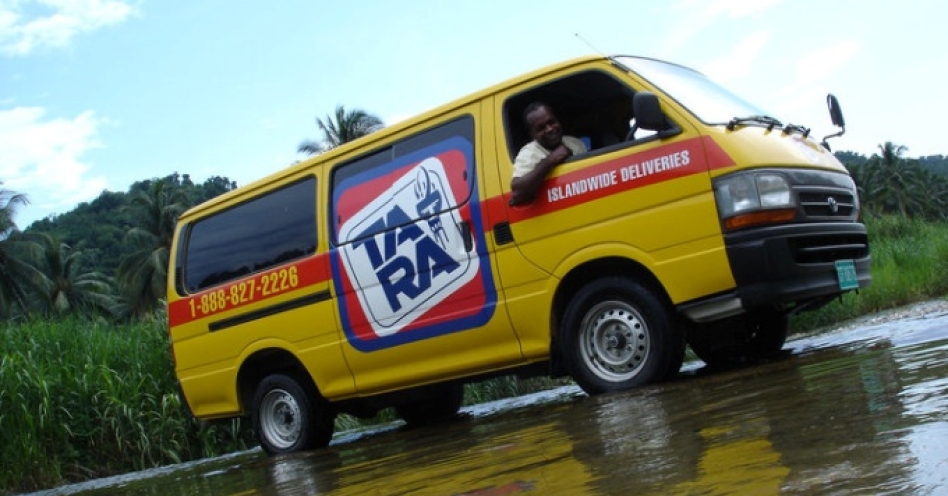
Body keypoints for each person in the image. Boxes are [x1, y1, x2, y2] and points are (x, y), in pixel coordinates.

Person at [510, 102, 587, 205]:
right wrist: (551, 160)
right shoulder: (529, 154)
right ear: (532, 134)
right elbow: (517, 193)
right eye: (541, 128)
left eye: (551, 122)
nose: (549, 129)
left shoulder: (575, 143)